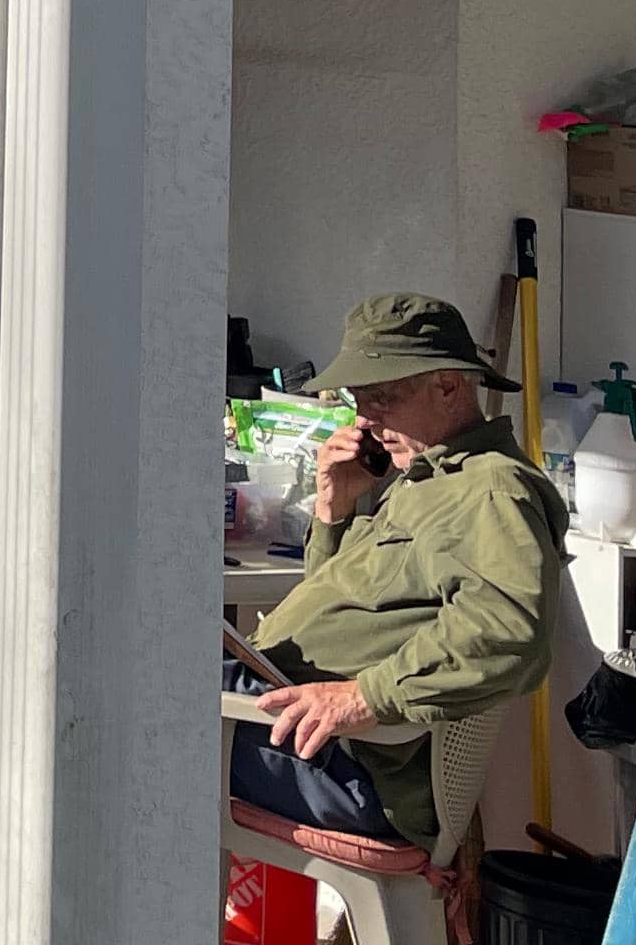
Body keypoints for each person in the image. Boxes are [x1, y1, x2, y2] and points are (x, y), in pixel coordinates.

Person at [237, 290, 569, 855]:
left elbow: (511, 632)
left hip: (350, 766)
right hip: (309, 726)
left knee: (132, 715)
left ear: (449, 386)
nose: (366, 420)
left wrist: (364, 698)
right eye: (358, 400)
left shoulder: (488, 490)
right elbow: (349, 608)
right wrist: (335, 510)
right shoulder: (426, 480)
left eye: (383, 398)